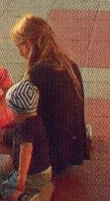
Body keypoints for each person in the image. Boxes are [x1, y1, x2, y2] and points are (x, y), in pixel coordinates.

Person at [9, 14, 89, 177]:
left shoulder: (37, 74)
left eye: (20, 47)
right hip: (72, 152)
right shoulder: (69, 65)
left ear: (29, 44)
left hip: (48, 160)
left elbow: (29, 131)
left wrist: (3, 135)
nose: (20, 53)